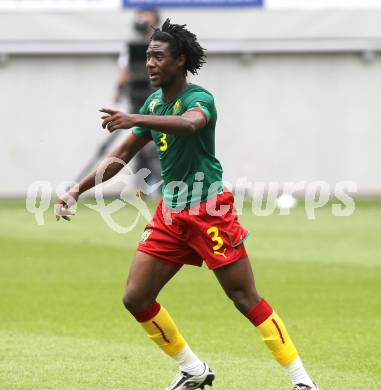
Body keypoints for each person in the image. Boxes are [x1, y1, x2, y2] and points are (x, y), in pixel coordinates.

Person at [57, 19, 319, 390]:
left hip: (210, 211)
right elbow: (121, 155)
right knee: (136, 297)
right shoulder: (152, 102)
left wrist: (135, 118)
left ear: (179, 61)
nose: (149, 63)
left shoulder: (200, 99)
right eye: (148, 56)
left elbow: (189, 124)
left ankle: (302, 380)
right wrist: (76, 191)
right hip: (172, 212)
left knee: (244, 298)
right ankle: (192, 369)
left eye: (158, 57)